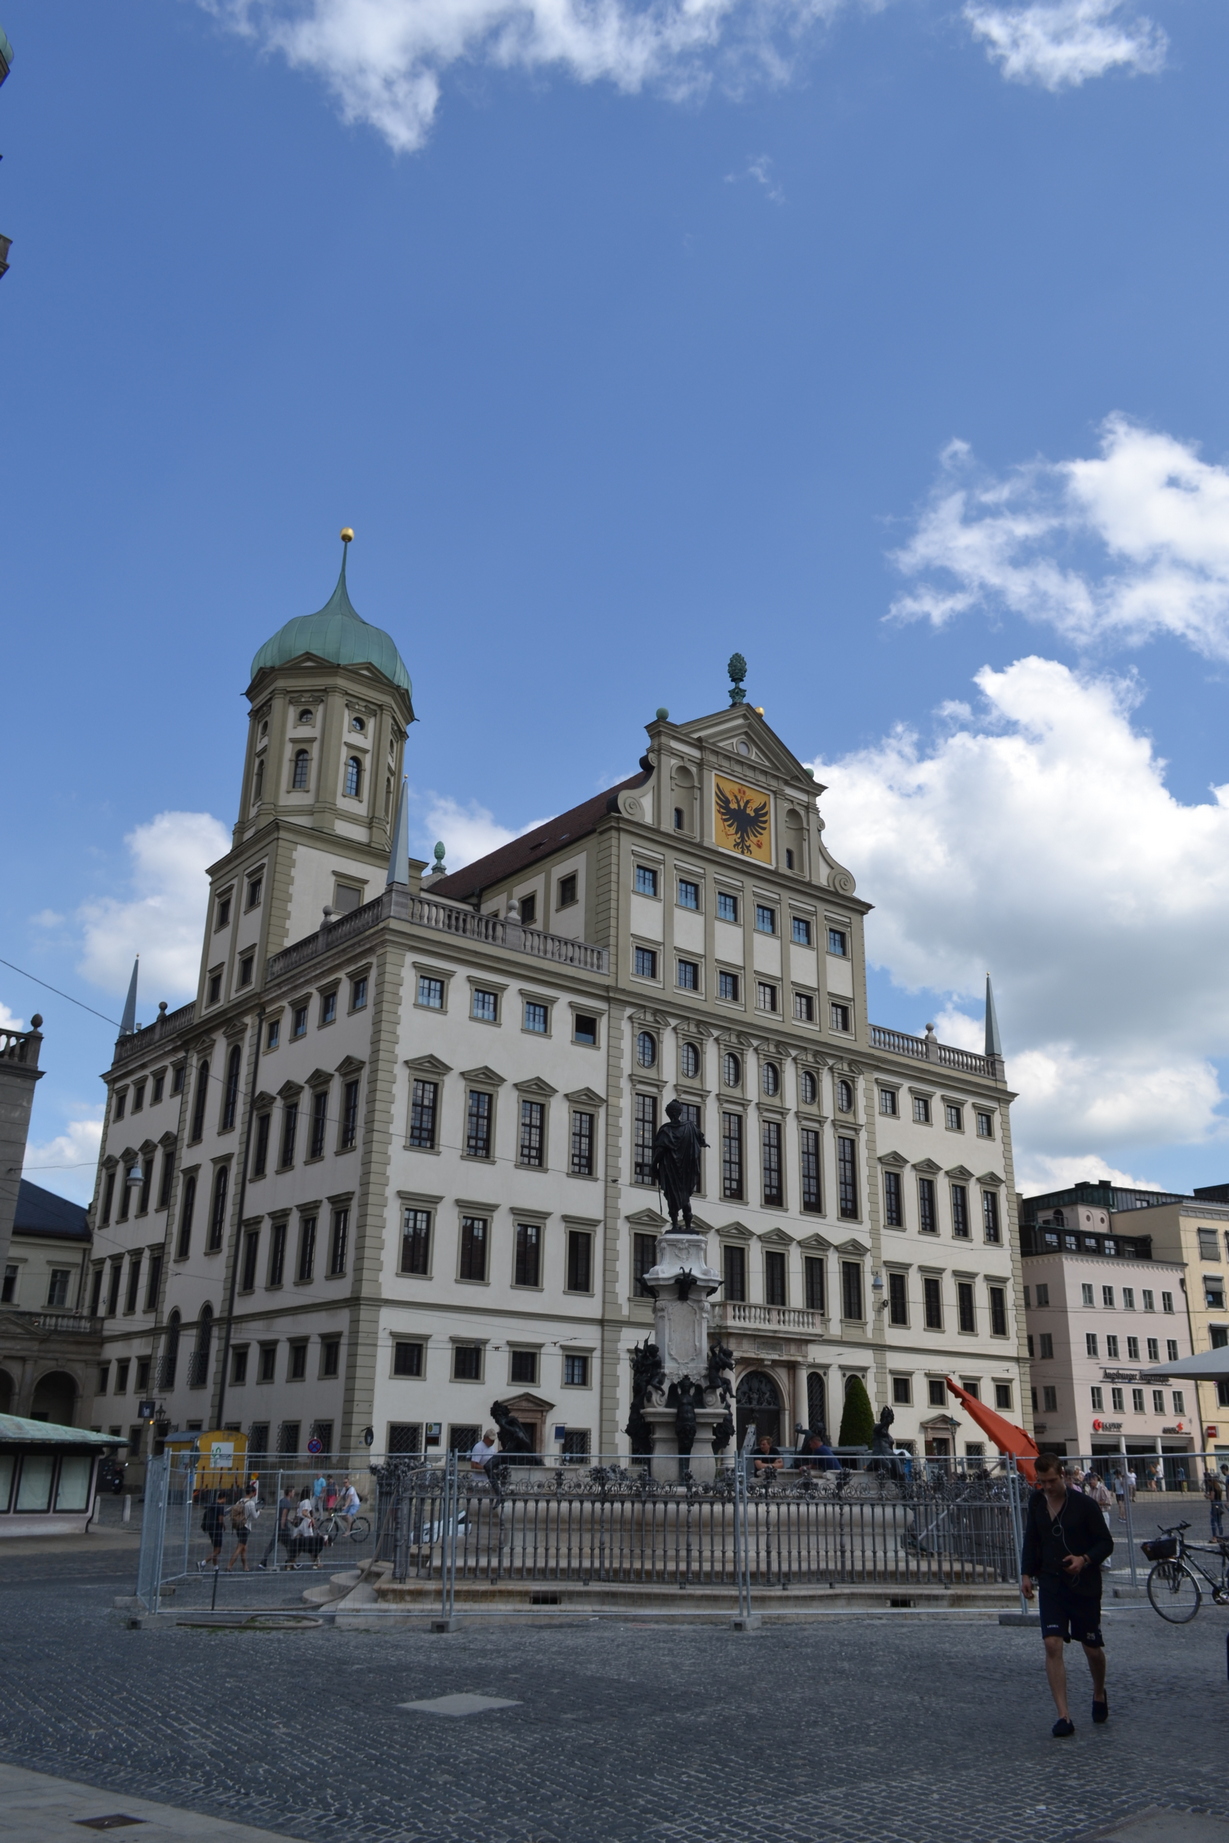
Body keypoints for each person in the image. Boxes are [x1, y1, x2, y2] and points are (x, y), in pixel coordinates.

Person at [1021, 1451, 1113, 1738]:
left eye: (1051, 1481)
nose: (1046, 1487)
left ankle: (1098, 1691)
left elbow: (1105, 1543)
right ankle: (1064, 1716)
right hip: (1051, 1581)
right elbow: (1031, 1538)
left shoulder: (1084, 1505)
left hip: (1083, 1584)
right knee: (1052, 1644)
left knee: (1092, 1649)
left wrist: (1084, 1559)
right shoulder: (1037, 1501)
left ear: (1063, 1475)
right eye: (1041, 1482)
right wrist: (1025, 1573)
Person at [260, 1484, 297, 1569]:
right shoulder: (287, 1503)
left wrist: (289, 1520)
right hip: (282, 1528)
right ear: (290, 1493)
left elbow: (281, 1514)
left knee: (272, 1544)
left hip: (278, 1525)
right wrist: (283, 1525)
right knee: (290, 1545)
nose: (294, 1494)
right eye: (293, 1492)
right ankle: (292, 1562)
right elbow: (284, 1514)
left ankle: (263, 1561)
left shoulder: (282, 1500)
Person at [226, 1485, 259, 1571]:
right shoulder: (251, 1503)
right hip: (245, 1527)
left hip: (238, 1526)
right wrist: (259, 1512)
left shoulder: (240, 1501)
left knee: (244, 1548)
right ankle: (229, 1566)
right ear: (252, 1493)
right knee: (240, 1547)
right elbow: (255, 1516)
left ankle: (245, 1567)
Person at [199, 1491, 227, 1570]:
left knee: (215, 1548)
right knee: (217, 1550)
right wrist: (224, 1526)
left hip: (211, 1529)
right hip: (217, 1529)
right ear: (223, 1498)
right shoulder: (220, 1506)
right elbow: (220, 1519)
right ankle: (203, 1563)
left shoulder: (212, 1505)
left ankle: (216, 1567)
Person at [1205, 1469, 1224, 1539]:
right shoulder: (1218, 1487)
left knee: (1213, 1522)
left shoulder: (1212, 1488)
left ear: (1210, 1481)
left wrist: (1207, 1496)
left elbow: (1212, 1497)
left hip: (1214, 1506)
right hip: (1220, 1504)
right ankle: (1221, 1535)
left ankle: (1214, 1536)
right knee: (1219, 1522)